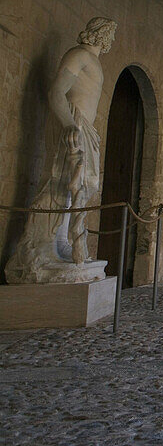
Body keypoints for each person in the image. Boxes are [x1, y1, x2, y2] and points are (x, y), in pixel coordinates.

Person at [5, 17, 117, 283]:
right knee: (62, 183)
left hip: (84, 126)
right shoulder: (78, 55)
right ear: (100, 34)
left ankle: (63, 241)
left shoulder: (92, 60)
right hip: (73, 124)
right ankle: (43, 245)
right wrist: (68, 124)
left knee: (82, 185)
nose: (111, 41)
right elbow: (56, 92)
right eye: (110, 34)